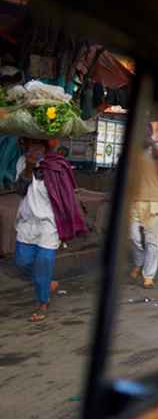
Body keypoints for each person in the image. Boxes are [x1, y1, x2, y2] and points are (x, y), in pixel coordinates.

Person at [14, 137, 88, 322]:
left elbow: (66, 196)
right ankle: (47, 283)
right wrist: (30, 167)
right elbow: (20, 190)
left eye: (39, 144)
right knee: (22, 262)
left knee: (44, 263)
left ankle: (42, 303)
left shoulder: (58, 165)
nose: (34, 147)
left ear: (46, 145)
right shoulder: (22, 162)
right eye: (31, 144)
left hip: (49, 224)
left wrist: (66, 223)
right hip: (27, 222)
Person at [128, 123, 158, 289]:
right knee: (134, 237)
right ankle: (139, 262)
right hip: (134, 201)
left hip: (154, 201)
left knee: (152, 240)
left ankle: (149, 275)